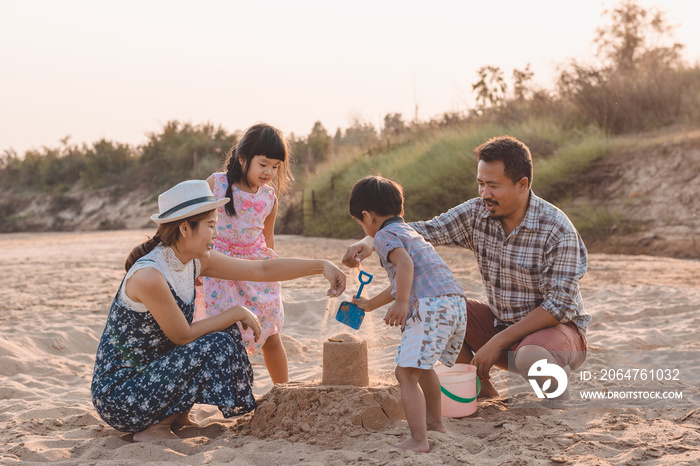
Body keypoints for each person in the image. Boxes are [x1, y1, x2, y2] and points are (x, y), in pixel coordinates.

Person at [91, 180, 346, 442]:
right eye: (211, 226)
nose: (216, 233)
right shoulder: (150, 274)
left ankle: (176, 416)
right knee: (216, 340)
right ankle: (154, 428)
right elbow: (182, 336)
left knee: (222, 333)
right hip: (121, 396)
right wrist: (236, 311)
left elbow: (261, 270)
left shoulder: (192, 261)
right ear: (184, 228)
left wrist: (321, 266)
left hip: (153, 379)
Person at [342, 136, 590, 399]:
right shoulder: (477, 213)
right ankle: (484, 393)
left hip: (554, 335)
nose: (484, 194)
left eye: (493, 185)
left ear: (522, 185)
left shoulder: (557, 229)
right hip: (498, 324)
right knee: (440, 309)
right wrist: (370, 240)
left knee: (532, 357)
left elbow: (558, 306)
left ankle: (558, 401)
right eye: (481, 184)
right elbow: (424, 231)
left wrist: (498, 341)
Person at [348, 175, 467, 453]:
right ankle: (436, 424)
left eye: (361, 222)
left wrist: (402, 303)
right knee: (423, 367)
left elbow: (405, 265)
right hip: (454, 302)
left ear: (367, 216)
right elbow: (404, 278)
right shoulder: (411, 233)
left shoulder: (384, 236)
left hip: (430, 305)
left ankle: (418, 440)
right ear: (400, 210)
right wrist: (369, 305)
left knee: (405, 374)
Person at [193, 123, 294, 385]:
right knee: (228, 335)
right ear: (242, 158)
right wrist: (194, 262)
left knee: (271, 333)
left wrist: (272, 270)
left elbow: (267, 237)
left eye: (275, 166)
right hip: (220, 268)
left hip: (257, 269)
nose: (269, 172)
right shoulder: (217, 184)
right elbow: (194, 224)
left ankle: (282, 391)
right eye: (263, 164)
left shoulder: (269, 196)